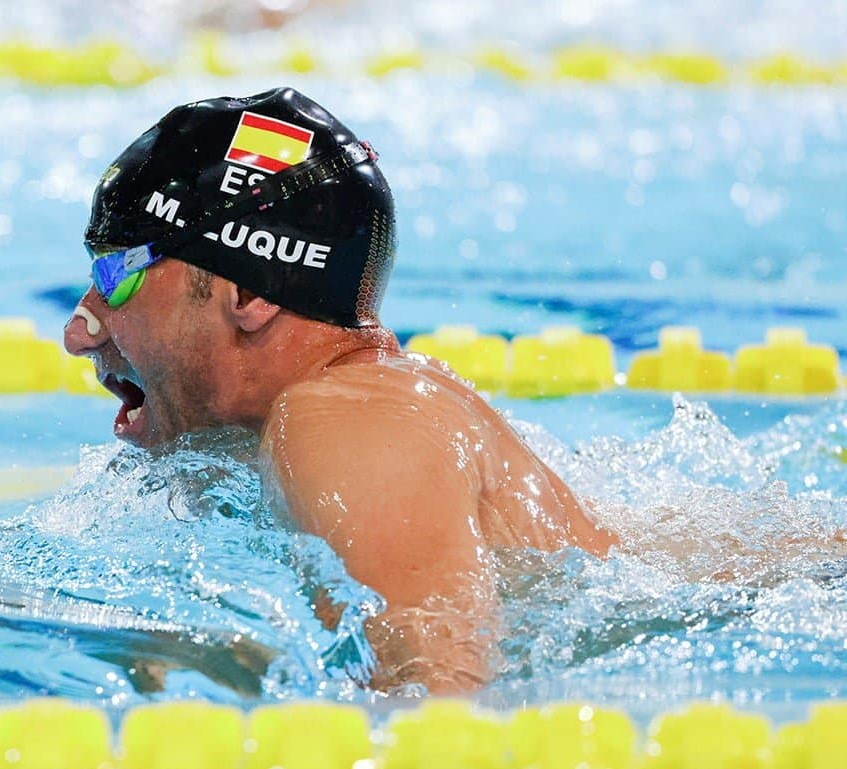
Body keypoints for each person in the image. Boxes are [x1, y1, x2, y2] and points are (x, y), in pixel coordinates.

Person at [63, 87, 617, 693]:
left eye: (115, 275)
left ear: (250, 295)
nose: (79, 331)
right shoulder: (367, 410)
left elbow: (437, 712)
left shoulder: (343, 420)